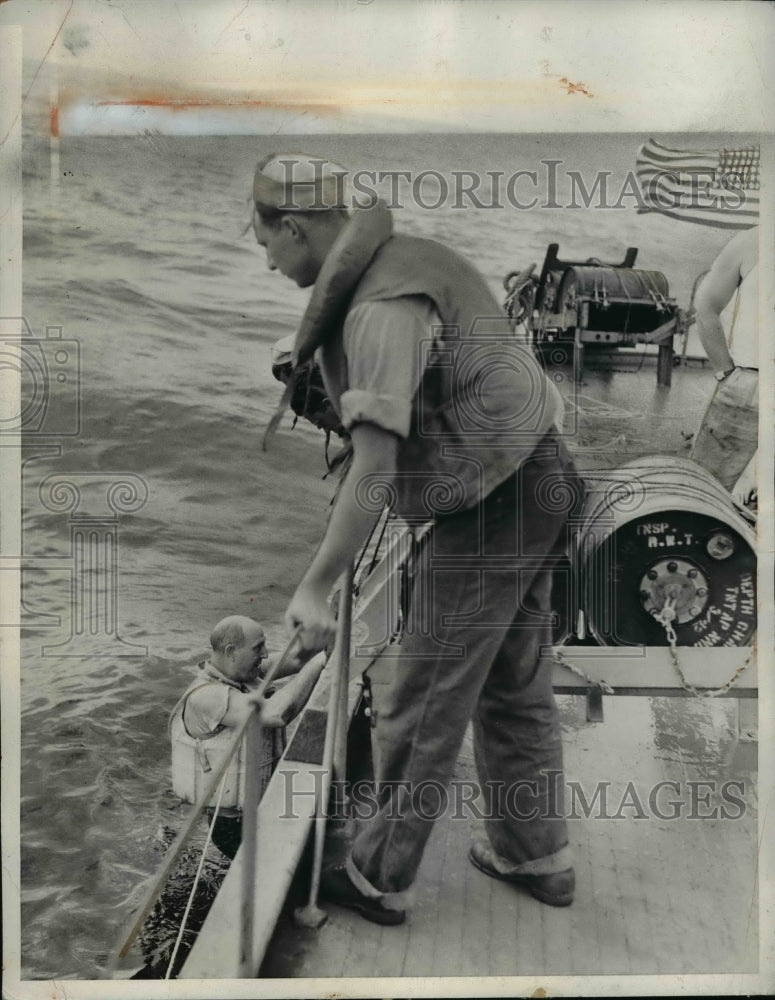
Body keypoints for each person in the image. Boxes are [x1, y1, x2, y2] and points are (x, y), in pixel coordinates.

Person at [251, 152, 581, 925]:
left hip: (493, 501)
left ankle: (375, 875)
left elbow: (373, 469)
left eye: (263, 242)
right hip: (543, 475)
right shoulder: (410, 261)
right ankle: (538, 855)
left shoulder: (376, 309)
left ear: (294, 226)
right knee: (511, 683)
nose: (265, 260)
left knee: (422, 693)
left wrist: (315, 588)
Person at [169, 614, 322, 858]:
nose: (264, 654)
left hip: (260, 807)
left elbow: (294, 658)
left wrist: (327, 637)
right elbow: (277, 713)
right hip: (234, 826)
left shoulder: (241, 674)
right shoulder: (207, 697)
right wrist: (322, 661)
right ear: (231, 651)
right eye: (258, 648)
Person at [690, 227, 759, 505]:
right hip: (748, 386)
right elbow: (706, 307)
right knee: (705, 495)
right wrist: (726, 373)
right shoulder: (750, 242)